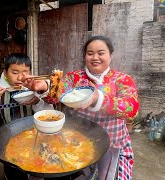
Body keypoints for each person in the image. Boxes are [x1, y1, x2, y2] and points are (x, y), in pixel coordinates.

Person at [23, 36, 140, 180]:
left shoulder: (122, 79)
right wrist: (45, 87)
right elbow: (57, 93)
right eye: (90, 53)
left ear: (111, 55)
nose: (95, 57)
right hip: (78, 142)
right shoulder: (75, 77)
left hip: (113, 144)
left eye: (101, 53)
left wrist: (99, 98)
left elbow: (132, 108)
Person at [0, 53, 53, 130]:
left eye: (25, 73)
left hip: (33, 136)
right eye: (15, 73)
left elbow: (49, 117)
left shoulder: (36, 92)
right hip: (7, 138)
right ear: (5, 73)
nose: (20, 78)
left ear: (30, 73)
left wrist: (37, 102)